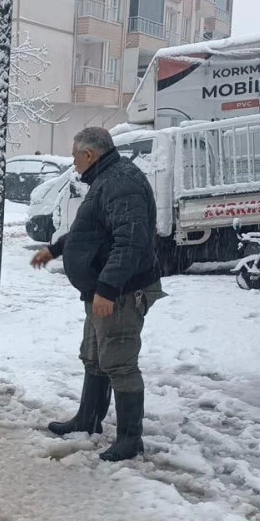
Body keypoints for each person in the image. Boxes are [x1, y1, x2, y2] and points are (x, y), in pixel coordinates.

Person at [31, 127, 163, 462]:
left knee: (119, 361)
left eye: (75, 156)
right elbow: (92, 231)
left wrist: (108, 288)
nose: (73, 163)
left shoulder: (121, 182)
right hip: (101, 289)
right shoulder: (106, 178)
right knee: (94, 356)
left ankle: (130, 440)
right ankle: (87, 419)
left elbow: (131, 241)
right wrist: (56, 249)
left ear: (89, 154)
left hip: (121, 292)